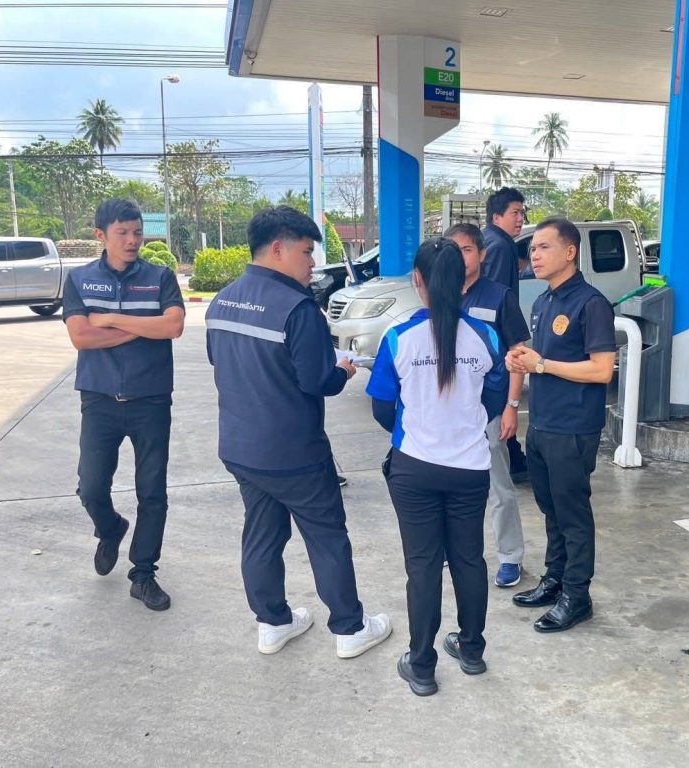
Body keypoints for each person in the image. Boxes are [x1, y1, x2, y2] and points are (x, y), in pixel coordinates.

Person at [206, 205, 391, 658]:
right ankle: (349, 628)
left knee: (262, 534)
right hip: (294, 453)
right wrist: (343, 369)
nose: (312, 263)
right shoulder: (298, 308)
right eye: (306, 252)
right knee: (327, 537)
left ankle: (272, 622)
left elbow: (219, 361)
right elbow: (317, 381)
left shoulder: (223, 300)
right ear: (277, 249)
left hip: (240, 447)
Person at [367, 237, 508, 697]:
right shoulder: (486, 337)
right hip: (470, 469)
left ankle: (422, 665)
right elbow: (493, 400)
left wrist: (419, 428)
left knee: (423, 565)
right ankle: (472, 650)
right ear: (462, 282)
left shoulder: (398, 338)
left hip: (415, 469)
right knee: (469, 558)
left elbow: (382, 408)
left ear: (418, 281)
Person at [62, 199, 185, 611]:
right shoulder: (79, 279)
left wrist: (112, 319)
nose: (133, 240)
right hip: (99, 400)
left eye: (137, 232)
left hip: (151, 400)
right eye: (123, 233)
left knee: (152, 491)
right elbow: (81, 337)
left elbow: (173, 326)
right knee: (91, 486)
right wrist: (144, 328)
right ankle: (111, 527)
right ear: (101, 235)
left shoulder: (160, 277)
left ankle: (143, 573)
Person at [506, 217, 616, 633]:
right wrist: (523, 360)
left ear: (570, 252)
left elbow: (602, 369)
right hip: (543, 422)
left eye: (543, 247)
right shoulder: (543, 302)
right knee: (550, 507)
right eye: (532, 249)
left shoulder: (591, 303)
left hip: (573, 426)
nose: (534, 255)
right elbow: (545, 357)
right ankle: (554, 579)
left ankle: (577, 595)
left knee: (572, 513)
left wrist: (542, 365)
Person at [445, 223, 529, 588]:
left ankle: (510, 556)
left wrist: (511, 405)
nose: (461, 257)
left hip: (490, 407)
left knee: (498, 486)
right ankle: (452, 548)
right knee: (451, 485)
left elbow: (518, 353)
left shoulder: (499, 297)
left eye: (467, 249)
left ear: (482, 254)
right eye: (454, 250)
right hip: (449, 409)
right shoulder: (440, 294)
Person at [481, 187, 530, 482]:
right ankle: (514, 462)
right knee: (500, 403)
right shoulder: (500, 245)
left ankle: (516, 459)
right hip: (496, 341)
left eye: (522, 213)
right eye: (515, 212)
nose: (521, 218)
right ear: (497, 216)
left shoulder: (488, 239)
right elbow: (496, 297)